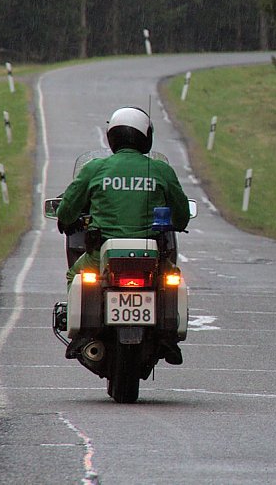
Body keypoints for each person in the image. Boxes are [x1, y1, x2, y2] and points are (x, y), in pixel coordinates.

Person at [56, 106, 191, 364]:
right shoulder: (161, 171)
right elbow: (182, 214)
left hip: (101, 254)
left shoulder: (96, 169)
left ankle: (82, 332)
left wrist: (65, 219)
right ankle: (167, 337)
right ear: (146, 137)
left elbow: (68, 207)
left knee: (75, 273)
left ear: (112, 137)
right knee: (170, 277)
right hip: (152, 256)